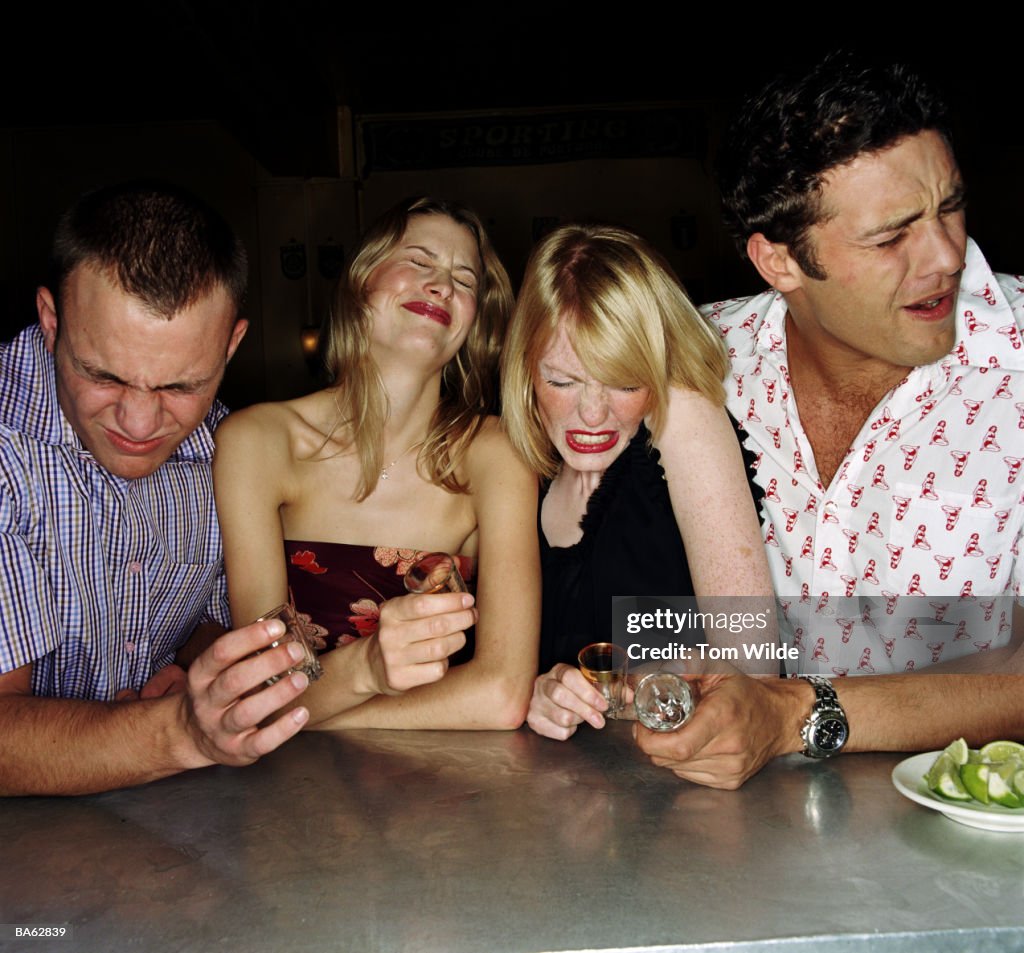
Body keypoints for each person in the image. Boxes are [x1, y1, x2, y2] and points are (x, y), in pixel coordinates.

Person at [636, 53, 1024, 789]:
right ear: (779, 261)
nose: (947, 255)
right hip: (736, 846)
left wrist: (793, 714)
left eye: (950, 206)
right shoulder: (693, 365)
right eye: (891, 237)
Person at [0, 181, 311, 796]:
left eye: (181, 386)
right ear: (50, 319)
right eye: (101, 375)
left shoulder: (233, 446)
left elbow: (215, 619)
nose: (139, 425)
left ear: (232, 345)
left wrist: (200, 668)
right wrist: (179, 731)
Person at [214, 196, 539, 729]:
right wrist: (364, 672)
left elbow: (502, 695)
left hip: (451, 787)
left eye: (465, 278)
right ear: (361, 279)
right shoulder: (257, 441)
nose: (443, 286)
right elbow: (257, 686)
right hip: (286, 792)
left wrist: (305, 716)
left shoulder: (496, 453)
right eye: (418, 260)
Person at [500, 224, 775, 741]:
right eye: (561, 380)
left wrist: (635, 686)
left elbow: (755, 670)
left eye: (625, 382)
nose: (591, 413)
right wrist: (544, 693)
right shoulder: (520, 469)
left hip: (684, 796)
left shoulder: (683, 419)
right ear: (525, 369)